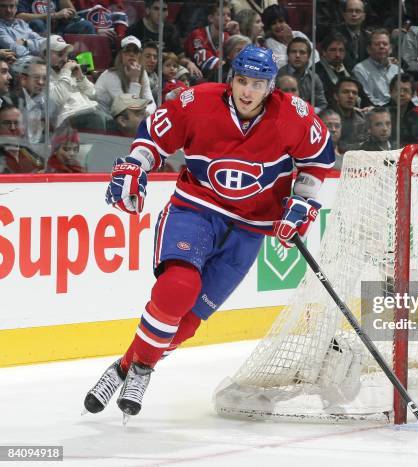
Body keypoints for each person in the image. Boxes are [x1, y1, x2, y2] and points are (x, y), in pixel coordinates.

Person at [83, 45, 334, 420]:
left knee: (189, 321)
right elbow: (153, 136)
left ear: (271, 87)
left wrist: (303, 201)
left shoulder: (294, 116)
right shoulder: (195, 102)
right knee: (178, 288)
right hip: (196, 206)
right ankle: (142, 370)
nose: (248, 92)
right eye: (242, 81)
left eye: (258, 84)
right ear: (231, 79)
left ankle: (126, 367)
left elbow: (318, 162)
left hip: (251, 226)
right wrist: (137, 163)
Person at [94, 35, 156, 116]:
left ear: (139, 55)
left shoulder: (141, 72)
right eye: (127, 51)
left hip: (123, 117)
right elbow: (126, 109)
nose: (131, 54)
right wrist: (134, 80)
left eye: (135, 51)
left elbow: (151, 102)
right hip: (104, 116)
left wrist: (147, 112)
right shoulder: (111, 75)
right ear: (121, 55)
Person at [352, 28, 400, 107]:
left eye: (385, 44)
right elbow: (367, 100)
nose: (381, 47)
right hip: (376, 113)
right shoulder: (360, 70)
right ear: (369, 49)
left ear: (390, 49)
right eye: (377, 44)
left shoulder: (397, 70)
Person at [277, 37, 327, 112]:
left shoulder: (314, 78)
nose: (297, 55)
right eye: (293, 52)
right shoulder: (278, 76)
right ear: (288, 55)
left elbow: (322, 105)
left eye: (302, 52)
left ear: (308, 56)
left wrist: (307, 112)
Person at [17, 0, 95, 35]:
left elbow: (74, 15)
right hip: (38, 32)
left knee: (87, 25)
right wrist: (54, 15)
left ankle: (86, 63)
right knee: (37, 23)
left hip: (59, 30)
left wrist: (69, 13)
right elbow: (20, 16)